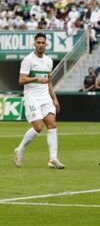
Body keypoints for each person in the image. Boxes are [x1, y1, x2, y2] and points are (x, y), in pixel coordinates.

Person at [14, 33, 65, 169]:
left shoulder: (48, 61)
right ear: (34, 44)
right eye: (39, 43)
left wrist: (54, 98)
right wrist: (36, 78)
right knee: (38, 127)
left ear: (46, 44)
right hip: (32, 97)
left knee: (52, 125)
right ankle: (20, 150)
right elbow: (21, 80)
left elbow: (49, 82)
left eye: (43, 43)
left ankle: (53, 159)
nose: (41, 45)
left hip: (45, 97)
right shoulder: (28, 60)